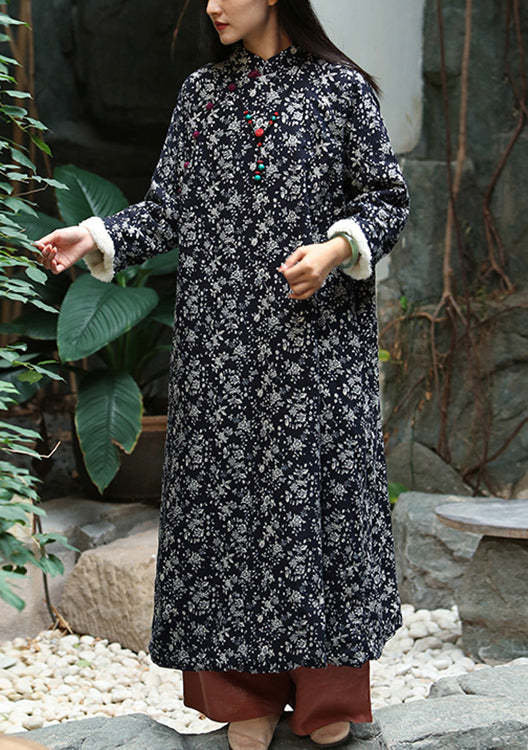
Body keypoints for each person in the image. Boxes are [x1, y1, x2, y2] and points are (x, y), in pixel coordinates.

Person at [35, 0, 411, 747]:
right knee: (225, 518)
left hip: (315, 356)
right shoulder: (203, 94)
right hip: (221, 358)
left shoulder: (340, 89)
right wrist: (96, 235)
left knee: (315, 511)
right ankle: (245, 699)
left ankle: (326, 698)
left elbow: (386, 199)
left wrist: (334, 250)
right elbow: (170, 209)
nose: (211, 5)